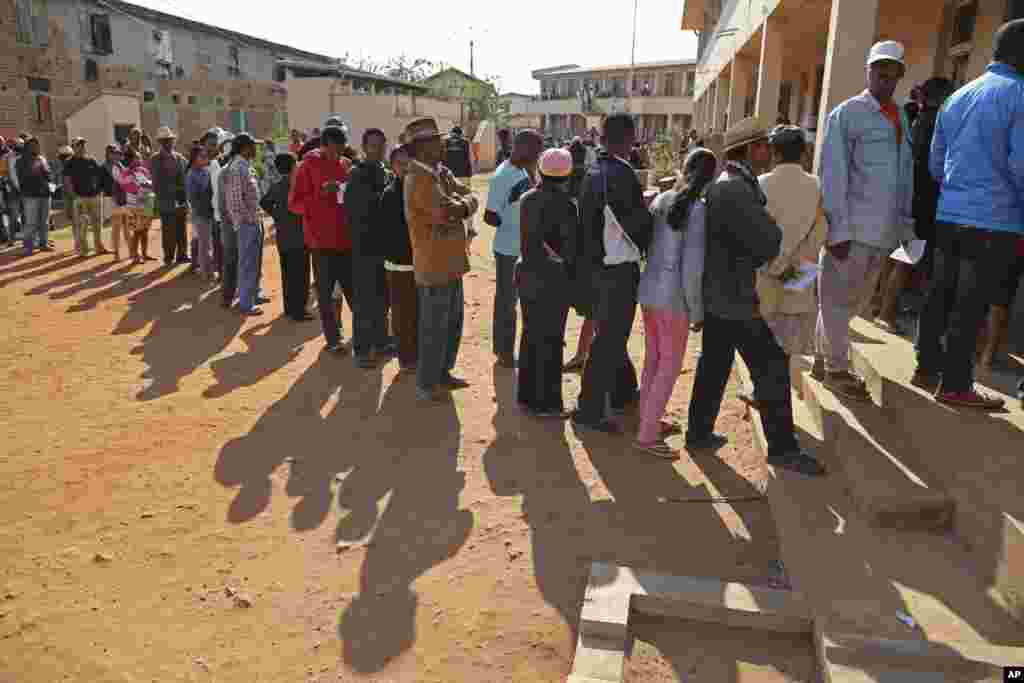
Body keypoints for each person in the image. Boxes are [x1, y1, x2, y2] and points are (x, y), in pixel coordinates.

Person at [686, 156, 826, 476]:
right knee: (773, 366)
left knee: (714, 365)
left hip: (719, 295)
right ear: (752, 149)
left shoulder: (726, 187)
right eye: (763, 146)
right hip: (735, 300)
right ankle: (782, 449)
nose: (769, 154)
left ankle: (698, 433)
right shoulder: (736, 190)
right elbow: (767, 241)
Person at [913, 20, 1024, 409]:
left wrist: (959, 191)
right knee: (971, 302)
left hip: (951, 214)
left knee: (940, 294)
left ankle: (926, 367)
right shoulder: (1020, 95)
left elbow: (935, 163)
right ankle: (957, 384)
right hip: (993, 220)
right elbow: (1021, 166)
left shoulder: (958, 97)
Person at [816, 40, 915, 402]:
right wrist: (837, 230)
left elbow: (905, 175)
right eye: (879, 70)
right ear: (868, 71)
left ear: (900, 76)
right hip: (852, 232)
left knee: (851, 304)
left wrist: (905, 225)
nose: (886, 78)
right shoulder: (847, 114)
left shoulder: (900, 116)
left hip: (883, 233)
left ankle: (824, 359)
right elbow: (833, 175)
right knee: (837, 302)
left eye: (893, 72)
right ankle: (837, 370)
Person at [571, 113, 654, 433]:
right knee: (609, 339)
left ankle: (621, 394)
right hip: (617, 269)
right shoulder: (621, 173)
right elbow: (634, 225)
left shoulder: (595, 171)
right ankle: (589, 410)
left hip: (598, 266)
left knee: (611, 336)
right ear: (630, 137)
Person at [634, 148, 713, 458]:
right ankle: (647, 435)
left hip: (650, 292)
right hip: (675, 299)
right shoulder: (698, 209)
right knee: (668, 366)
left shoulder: (664, 199)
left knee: (653, 360)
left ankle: (649, 420)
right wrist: (697, 310)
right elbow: (692, 268)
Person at [403, 117, 479, 402]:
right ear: (421, 148)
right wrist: (463, 206)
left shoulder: (439, 173)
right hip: (434, 265)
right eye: (435, 141)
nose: (441, 144)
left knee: (451, 324)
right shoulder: (419, 179)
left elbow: (468, 197)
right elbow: (448, 211)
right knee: (434, 327)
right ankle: (427, 382)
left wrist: (463, 205)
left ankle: (442, 373)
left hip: (450, 262)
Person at [873, 77, 957, 333]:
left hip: (905, 197)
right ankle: (886, 313)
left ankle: (877, 305)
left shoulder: (917, 121)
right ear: (942, 98)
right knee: (907, 259)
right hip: (922, 201)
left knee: (895, 255)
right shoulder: (937, 123)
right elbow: (936, 167)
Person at [756, 125, 828, 358]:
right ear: (804, 153)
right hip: (798, 279)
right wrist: (797, 268)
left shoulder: (760, 183)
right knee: (787, 350)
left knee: (762, 344)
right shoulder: (816, 185)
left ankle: (762, 390)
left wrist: (776, 265)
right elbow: (820, 232)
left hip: (764, 278)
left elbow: (755, 232)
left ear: (774, 153)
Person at [516, 148, 577, 418]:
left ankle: (527, 397)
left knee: (530, 335)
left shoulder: (527, 199)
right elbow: (570, 249)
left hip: (528, 278)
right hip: (554, 283)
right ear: (567, 175)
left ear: (540, 170)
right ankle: (548, 404)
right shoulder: (566, 206)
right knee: (551, 341)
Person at [289, 125, 356, 353]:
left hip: (346, 240)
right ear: (324, 145)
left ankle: (363, 335)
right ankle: (333, 340)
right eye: (334, 151)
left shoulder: (346, 165)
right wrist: (320, 195)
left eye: (341, 151)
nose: (338, 156)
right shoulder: (306, 166)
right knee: (326, 295)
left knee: (354, 292)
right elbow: (295, 204)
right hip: (320, 242)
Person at [484, 130, 543, 368]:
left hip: (525, 248)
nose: (538, 155)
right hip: (508, 249)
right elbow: (490, 216)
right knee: (507, 302)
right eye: (535, 151)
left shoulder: (526, 170)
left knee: (519, 300)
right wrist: (511, 219)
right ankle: (504, 352)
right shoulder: (503, 175)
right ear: (522, 148)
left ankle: (507, 349)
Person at [346, 127, 396, 368]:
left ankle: (381, 341)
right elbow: (359, 212)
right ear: (365, 147)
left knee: (382, 298)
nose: (379, 149)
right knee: (365, 301)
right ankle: (362, 349)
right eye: (374, 145)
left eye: (382, 144)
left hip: (384, 248)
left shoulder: (385, 172)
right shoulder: (357, 174)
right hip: (364, 248)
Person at [261, 153, 311, 322]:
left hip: (283, 237)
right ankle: (300, 311)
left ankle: (290, 308)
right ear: (292, 167)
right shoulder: (296, 185)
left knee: (288, 275)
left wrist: (277, 215)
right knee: (301, 276)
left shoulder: (276, 185)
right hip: (300, 236)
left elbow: (264, 202)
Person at [381, 145, 417, 372]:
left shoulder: (416, 189)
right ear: (392, 167)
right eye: (400, 163)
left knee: (417, 312)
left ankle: (415, 354)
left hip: (418, 261)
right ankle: (406, 358)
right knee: (403, 313)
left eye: (408, 163)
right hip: (399, 263)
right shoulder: (391, 194)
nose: (405, 167)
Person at [223, 133, 265, 316]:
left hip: (254, 220)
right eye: (253, 145)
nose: (256, 149)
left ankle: (253, 294)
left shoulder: (245, 166)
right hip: (247, 223)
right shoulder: (236, 168)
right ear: (244, 148)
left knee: (254, 261)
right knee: (247, 263)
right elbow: (234, 202)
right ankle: (246, 303)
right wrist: (246, 220)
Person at [150, 127, 189, 266]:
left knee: (181, 228)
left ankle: (182, 254)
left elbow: (187, 175)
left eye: (170, 140)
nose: (168, 142)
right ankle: (168, 256)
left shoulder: (180, 158)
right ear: (160, 142)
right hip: (165, 200)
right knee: (168, 230)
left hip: (180, 198)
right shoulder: (155, 159)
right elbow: (155, 182)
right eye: (165, 140)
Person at [64, 137, 108, 258]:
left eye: (83, 145)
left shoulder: (91, 160)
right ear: (73, 147)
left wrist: (99, 191)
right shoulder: (69, 162)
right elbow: (67, 182)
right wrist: (74, 196)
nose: (82, 147)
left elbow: (99, 176)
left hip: (94, 196)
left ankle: (98, 246)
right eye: (79, 145)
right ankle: (83, 250)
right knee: (82, 225)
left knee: (97, 224)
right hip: (80, 198)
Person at [114, 146, 153, 264]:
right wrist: (143, 188)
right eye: (137, 157)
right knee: (137, 231)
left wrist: (147, 188)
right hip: (134, 206)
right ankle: (135, 255)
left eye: (139, 157)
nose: (140, 159)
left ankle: (145, 254)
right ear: (131, 160)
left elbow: (151, 183)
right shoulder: (125, 173)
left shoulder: (144, 171)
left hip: (147, 204)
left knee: (145, 230)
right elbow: (129, 187)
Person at [15, 136, 53, 256]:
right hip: (30, 195)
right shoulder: (21, 160)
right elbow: (22, 177)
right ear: (27, 146)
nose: (35, 147)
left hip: (45, 194)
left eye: (36, 144)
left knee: (44, 221)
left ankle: (43, 243)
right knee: (31, 222)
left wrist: (47, 174)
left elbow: (48, 174)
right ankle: (28, 247)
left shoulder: (42, 159)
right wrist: (34, 172)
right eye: (32, 145)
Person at [186, 145, 215, 280]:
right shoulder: (191, 175)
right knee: (204, 244)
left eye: (205, 156)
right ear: (194, 159)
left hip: (209, 211)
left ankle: (208, 269)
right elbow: (193, 198)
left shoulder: (206, 172)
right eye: (202, 157)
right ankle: (205, 271)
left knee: (208, 242)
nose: (205, 159)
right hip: (200, 212)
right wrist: (202, 208)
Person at [102, 143, 127, 260]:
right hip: (111, 198)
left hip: (122, 199)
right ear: (108, 154)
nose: (116, 155)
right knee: (116, 226)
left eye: (117, 153)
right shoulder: (104, 167)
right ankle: (116, 252)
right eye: (113, 153)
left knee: (126, 226)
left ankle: (130, 251)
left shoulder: (121, 166)